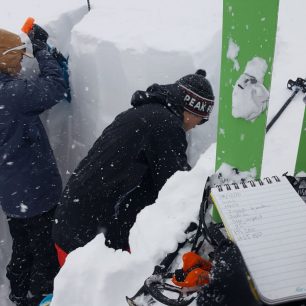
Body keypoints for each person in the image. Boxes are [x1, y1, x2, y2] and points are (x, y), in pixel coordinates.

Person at [52, 69, 215, 264]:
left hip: (74, 216)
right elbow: (177, 184)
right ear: (192, 107)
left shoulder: (146, 113)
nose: (199, 124)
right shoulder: (165, 125)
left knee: (79, 289)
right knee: (98, 291)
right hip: (89, 234)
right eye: (202, 118)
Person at [0, 25, 69, 306]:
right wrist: (42, 51)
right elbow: (54, 88)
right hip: (34, 189)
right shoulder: (11, 94)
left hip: (10, 190)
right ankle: (42, 297)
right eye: (18, 57)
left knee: (23, 244)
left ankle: (17, 293)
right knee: (44, 250)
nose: (20, 63)